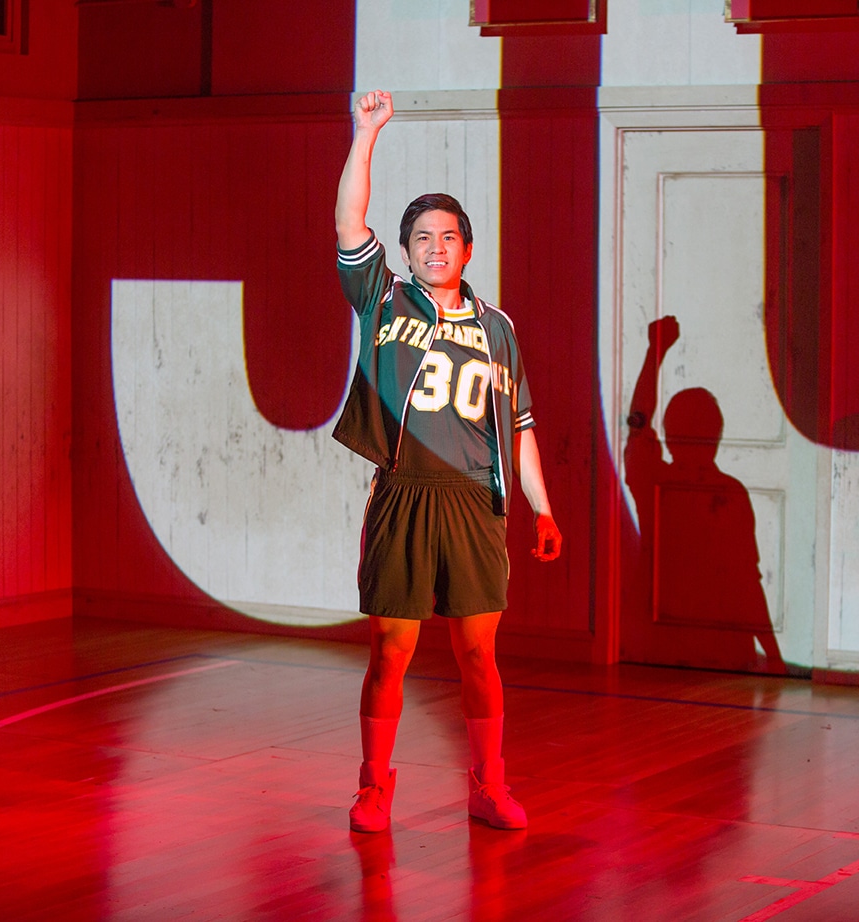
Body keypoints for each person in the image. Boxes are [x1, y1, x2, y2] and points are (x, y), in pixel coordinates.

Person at [333, 90, 562, 833]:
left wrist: (542, 505)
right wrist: (366, 135)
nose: (436, 246)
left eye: (449, 236)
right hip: (405, 494)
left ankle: (488, 785)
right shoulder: (387, 302)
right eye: (422, 237)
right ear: (405, 253)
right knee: (391, 651)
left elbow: (519, 425)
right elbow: (347, 224)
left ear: (469, 248)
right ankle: (374, 787)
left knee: (478, 655)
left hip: (474, 503)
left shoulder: (499, 328)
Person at [623, 315, 785, 674]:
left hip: (660, 646)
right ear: (718, 434)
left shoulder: (654, 484)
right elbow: (747, 582)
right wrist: (773, 655)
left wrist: (655, 352)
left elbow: (637, 424)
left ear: (669, 432)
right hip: (725, 650)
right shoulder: (730, 494)